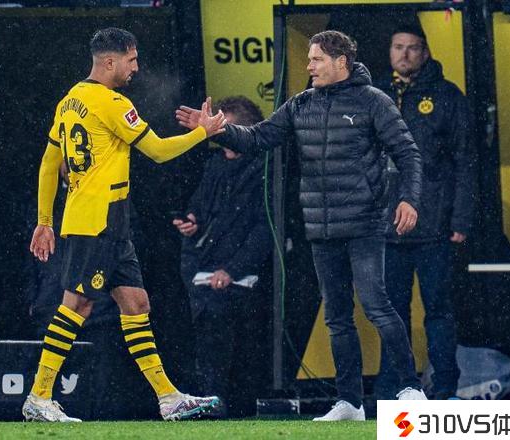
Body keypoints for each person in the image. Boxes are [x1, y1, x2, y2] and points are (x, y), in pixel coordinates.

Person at [177, 30, 427, 421]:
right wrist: (218, 129)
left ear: (340, 62)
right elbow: (258, 138)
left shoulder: (373, 101)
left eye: (316, 59)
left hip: (363, 224)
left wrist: (409, 199)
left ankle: (411, 388)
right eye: (310, 59)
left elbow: (408, 154)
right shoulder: (301, 104)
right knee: (337, 317)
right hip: (321, 229)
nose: (309, 66)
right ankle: (350, 403)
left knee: (376, 306)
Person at [22, 27, 227, 422]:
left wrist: (45, 220)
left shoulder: (70, 100)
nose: (136, 67)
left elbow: (49, 163)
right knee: (77, 305)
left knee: (136, 304)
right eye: (131, 60)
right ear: (110, 61)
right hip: (96, 221)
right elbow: (158, 151)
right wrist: (204, 132)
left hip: (106, 223)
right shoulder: (112, 102)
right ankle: (39, 396)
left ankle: (168, 397)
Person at [374, 25, 477, 400]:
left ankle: (445, 387)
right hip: (388, 227)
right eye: (397, 47)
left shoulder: (447, 96)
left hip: (434, 224)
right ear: (389, 51)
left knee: (439, 309)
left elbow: (466, 161)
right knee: (391, 312)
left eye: (412, 48)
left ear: (426, 52)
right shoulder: (376, 95)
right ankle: (393, 388)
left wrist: (461, 218)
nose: (404, 54)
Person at [173, 96, 273, 418]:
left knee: (232, 338)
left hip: (242, 276)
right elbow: (200, 205)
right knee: (198, 334)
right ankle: (206, 400)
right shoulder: (215, 164)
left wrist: (231, 270)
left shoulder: (265, 169)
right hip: (202, 269)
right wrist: (191, 221)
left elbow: (263, 230)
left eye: (224, 128)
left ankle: (229, 404)